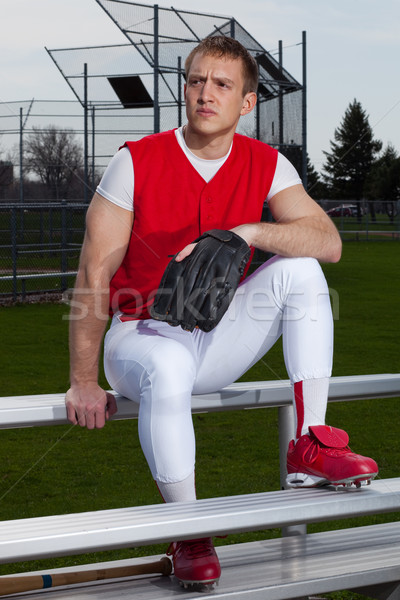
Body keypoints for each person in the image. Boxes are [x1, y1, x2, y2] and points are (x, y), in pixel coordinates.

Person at [65, 36, 378, 587]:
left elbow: (327, 241)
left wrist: (249, 230)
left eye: (222, 84)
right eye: (196, 81)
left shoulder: (265, 162)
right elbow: (93, 276)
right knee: (167, 368)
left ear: (247, 103)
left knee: (303, 271)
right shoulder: (135, 161)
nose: (205, 93)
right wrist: (82, 381)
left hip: (215, 334)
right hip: (142, 336)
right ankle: (189, 531)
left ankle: (310, 441)